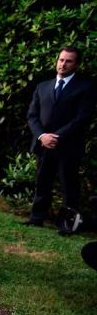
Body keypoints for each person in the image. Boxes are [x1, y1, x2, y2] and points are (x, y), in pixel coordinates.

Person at [23, 47, 96, 234]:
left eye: (68, 61)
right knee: (42, 182)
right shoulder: (43, 86)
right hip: (43, 144)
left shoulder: (86, 88)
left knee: (69, 186)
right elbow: (32, 116)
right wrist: (42, 136)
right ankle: (36, 218)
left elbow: (82, 118)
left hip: (68, 146)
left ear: (76, 64)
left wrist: (56, 136)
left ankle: (66, 225)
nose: (63, 64)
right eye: (61, 60)